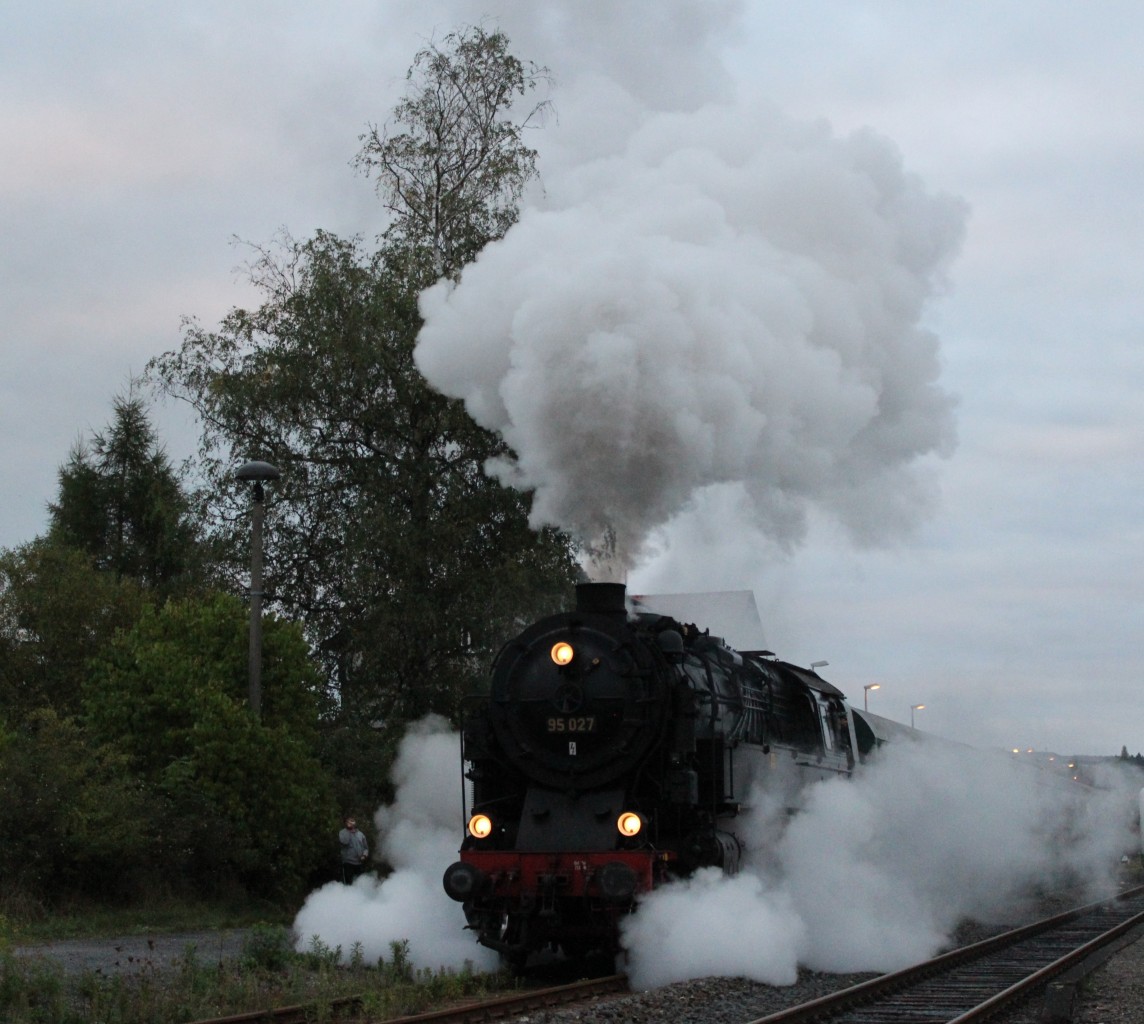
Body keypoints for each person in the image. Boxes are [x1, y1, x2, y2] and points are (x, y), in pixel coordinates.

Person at [338, 816, 369, 884]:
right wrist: (349, 831)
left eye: (352, 821)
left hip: (359, 863)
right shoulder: (342, 833)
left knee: (361, 883)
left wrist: (364, 855)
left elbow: (366, 848)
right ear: (345, 823)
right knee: (349, 883)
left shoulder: (360, 834)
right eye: (348, 821)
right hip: (348, 863)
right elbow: (345, 842)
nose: (350, 823)